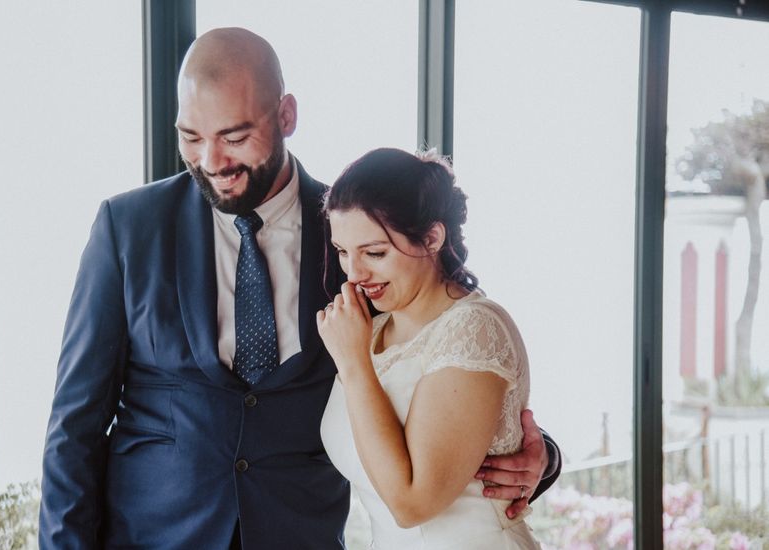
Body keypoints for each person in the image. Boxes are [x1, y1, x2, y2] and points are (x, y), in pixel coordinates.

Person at [40, 28, 558, 550]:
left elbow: (447, 346)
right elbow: (75, 424)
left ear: (286, 116)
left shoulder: (354, 233)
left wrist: (539, 455)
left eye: (235, 137)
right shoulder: (128, 228)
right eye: (192, 137)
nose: (212, 162)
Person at [318, 147, 542, 548]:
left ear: (432, 237)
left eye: (374, 253)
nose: (354, 273)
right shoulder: (365, 332)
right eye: (342, 252)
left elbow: (411, 504)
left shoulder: (474, 327)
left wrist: (353, 365)